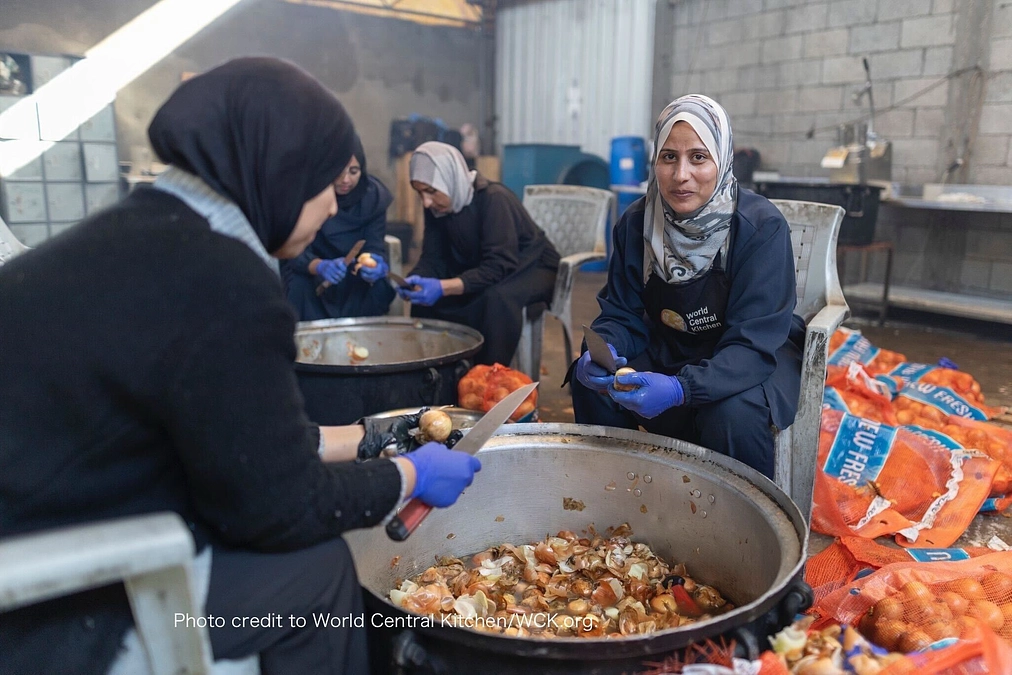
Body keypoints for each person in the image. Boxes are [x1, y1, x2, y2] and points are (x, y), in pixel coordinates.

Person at [0, 58, 480, 675]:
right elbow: (280, 508)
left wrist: (365, 438)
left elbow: (230, 432)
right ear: (282, 174)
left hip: (56, 512)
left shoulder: (135, 230)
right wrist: (410, 476)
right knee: (319, 571)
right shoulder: (222, 280)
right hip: (54, 602)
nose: (333, 211)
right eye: (324, 187)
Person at [570, 94, 805, 479]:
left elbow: (752, 342)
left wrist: (682, 389)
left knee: (732, 416)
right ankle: (615, 499)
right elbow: (622, 313)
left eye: (698, 157)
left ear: (722, 159)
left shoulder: (760, 228)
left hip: (748, 358)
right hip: (671, 346)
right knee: (593, 387)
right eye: (668, 157)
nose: (681, 175)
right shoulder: (637, 224)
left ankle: (738, 517)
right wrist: (605, 348)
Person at [398, 141, 560, 366]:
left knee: (495, 299)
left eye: (431, 191)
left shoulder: (494, 199)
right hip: (485, 266)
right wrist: (416, 280)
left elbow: (498, 265)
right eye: (420, 193)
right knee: (427, 303)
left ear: (450, 178)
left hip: (532, 267)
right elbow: (433, 257)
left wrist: (443, 287)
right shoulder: (436, 207)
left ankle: (487, 375)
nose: (426, 202)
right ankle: (437, 371)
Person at [283, 135, 396, 320]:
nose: (345, 180)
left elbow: (374, 245)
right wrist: (319, 266)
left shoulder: (373, 199)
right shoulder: (308, 192)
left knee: (378, 288)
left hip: (355, 275)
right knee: (298, 286)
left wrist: (373, 264)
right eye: (338, 171)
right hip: (313, 271)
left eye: (354, 171)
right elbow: (293, 250)